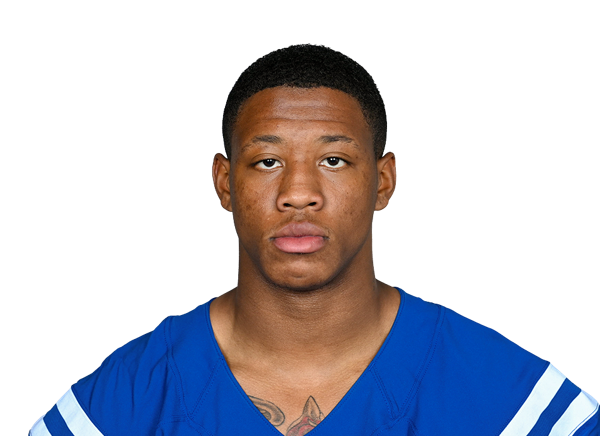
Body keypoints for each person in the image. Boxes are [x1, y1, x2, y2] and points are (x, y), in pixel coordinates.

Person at [30, 43, 598, 436]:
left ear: (383, 181)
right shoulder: (123, 404)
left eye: (333, 160)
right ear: (224, 183)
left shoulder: (515, 406)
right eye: (268, 161)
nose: (298, 194)